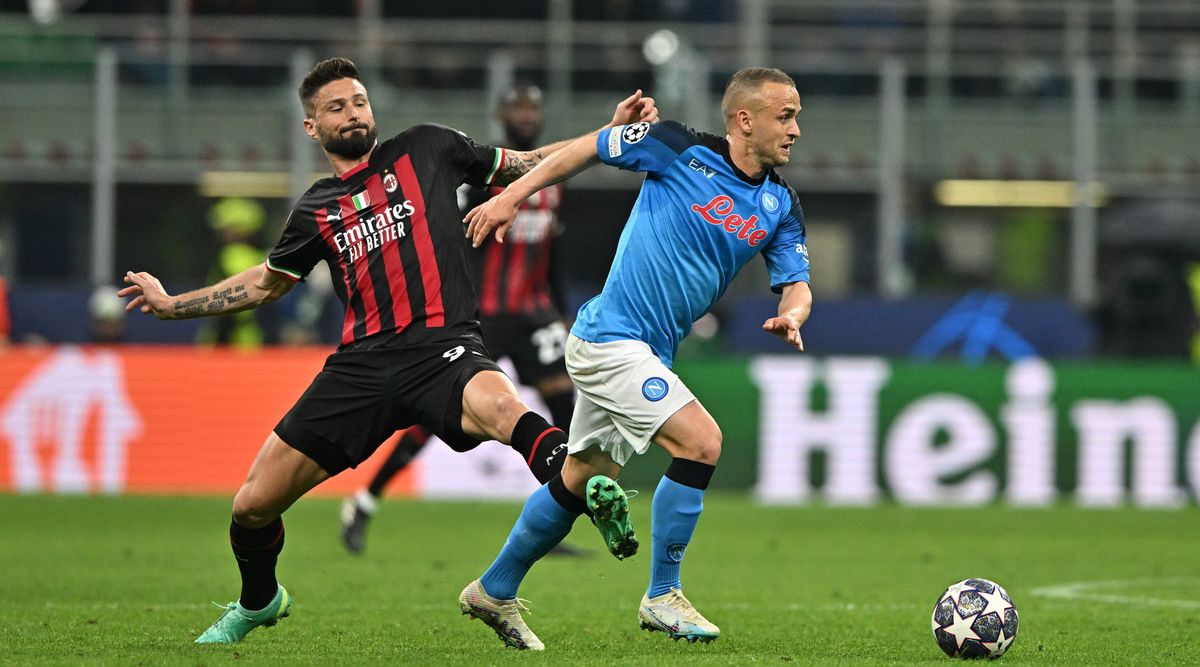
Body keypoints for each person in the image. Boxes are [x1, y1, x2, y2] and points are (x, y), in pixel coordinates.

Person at [119, 57, 656, 644]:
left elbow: (527, 162)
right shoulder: (316, 208)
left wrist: (608, 134)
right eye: (335, 107)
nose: (352, 113)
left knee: (506, 410)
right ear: (311, 127)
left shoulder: (427, 148)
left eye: (359, 101)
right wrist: (173, 306)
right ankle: (258, 601)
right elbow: (267, 284)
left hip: (444, 347)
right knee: (251, 506)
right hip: (361, 368)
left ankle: (581, 481)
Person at [457, 67, 811, 650]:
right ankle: (662, 595)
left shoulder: (779, 203)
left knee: (581, 479)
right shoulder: (677, 147)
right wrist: (512, 196)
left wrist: (794, 312)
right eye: (786, 115)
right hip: (608, 341)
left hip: (650, 353)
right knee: (702, 442)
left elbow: (796, 281)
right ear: (745, 120)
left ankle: (493, 590)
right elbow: (586, 150)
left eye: (796, 116)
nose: (796, 129)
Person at [338, 84, 578, 555]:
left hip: (534, 316)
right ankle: (364, 500)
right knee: (435, 417)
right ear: (500, 115)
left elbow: (551, 252)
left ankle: (551, 520)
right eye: (517, 108)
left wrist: (560, 308)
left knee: (566, 412)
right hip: (481, 316)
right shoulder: (478, 180)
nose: (527, 116)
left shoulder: (554, 178)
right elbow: (449, 243)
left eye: (534, 107)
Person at [198, 197, 269, 347]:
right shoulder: (257, 255)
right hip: (249, 335)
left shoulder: (232, 255)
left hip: (232, 338)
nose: (221, 231)